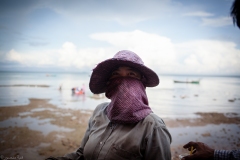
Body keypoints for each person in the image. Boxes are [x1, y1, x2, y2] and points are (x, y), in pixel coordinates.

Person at [46, 50, 172, 160]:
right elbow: (81, 155)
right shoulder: (99, 111)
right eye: (116, 74)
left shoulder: (153, 126)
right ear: (109, 82)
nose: (122, 81)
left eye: (131, 74)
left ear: (141, 83)